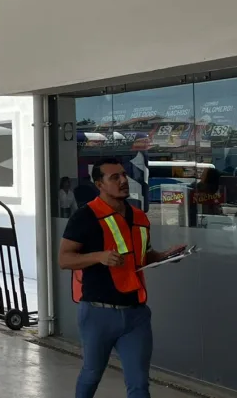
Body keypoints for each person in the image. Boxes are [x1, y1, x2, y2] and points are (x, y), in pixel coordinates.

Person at [60, 158, 185, 398]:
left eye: (124, 175)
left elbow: (142, 257)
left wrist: (164, 256)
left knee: (139, 384)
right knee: (92, 375)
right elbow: (64, 260)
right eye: (114, 177)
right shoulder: (85, 217)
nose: (123, 180)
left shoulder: (139, 217)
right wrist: (99, 256)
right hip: (98, 313)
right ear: (100, 184)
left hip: (135, 314)